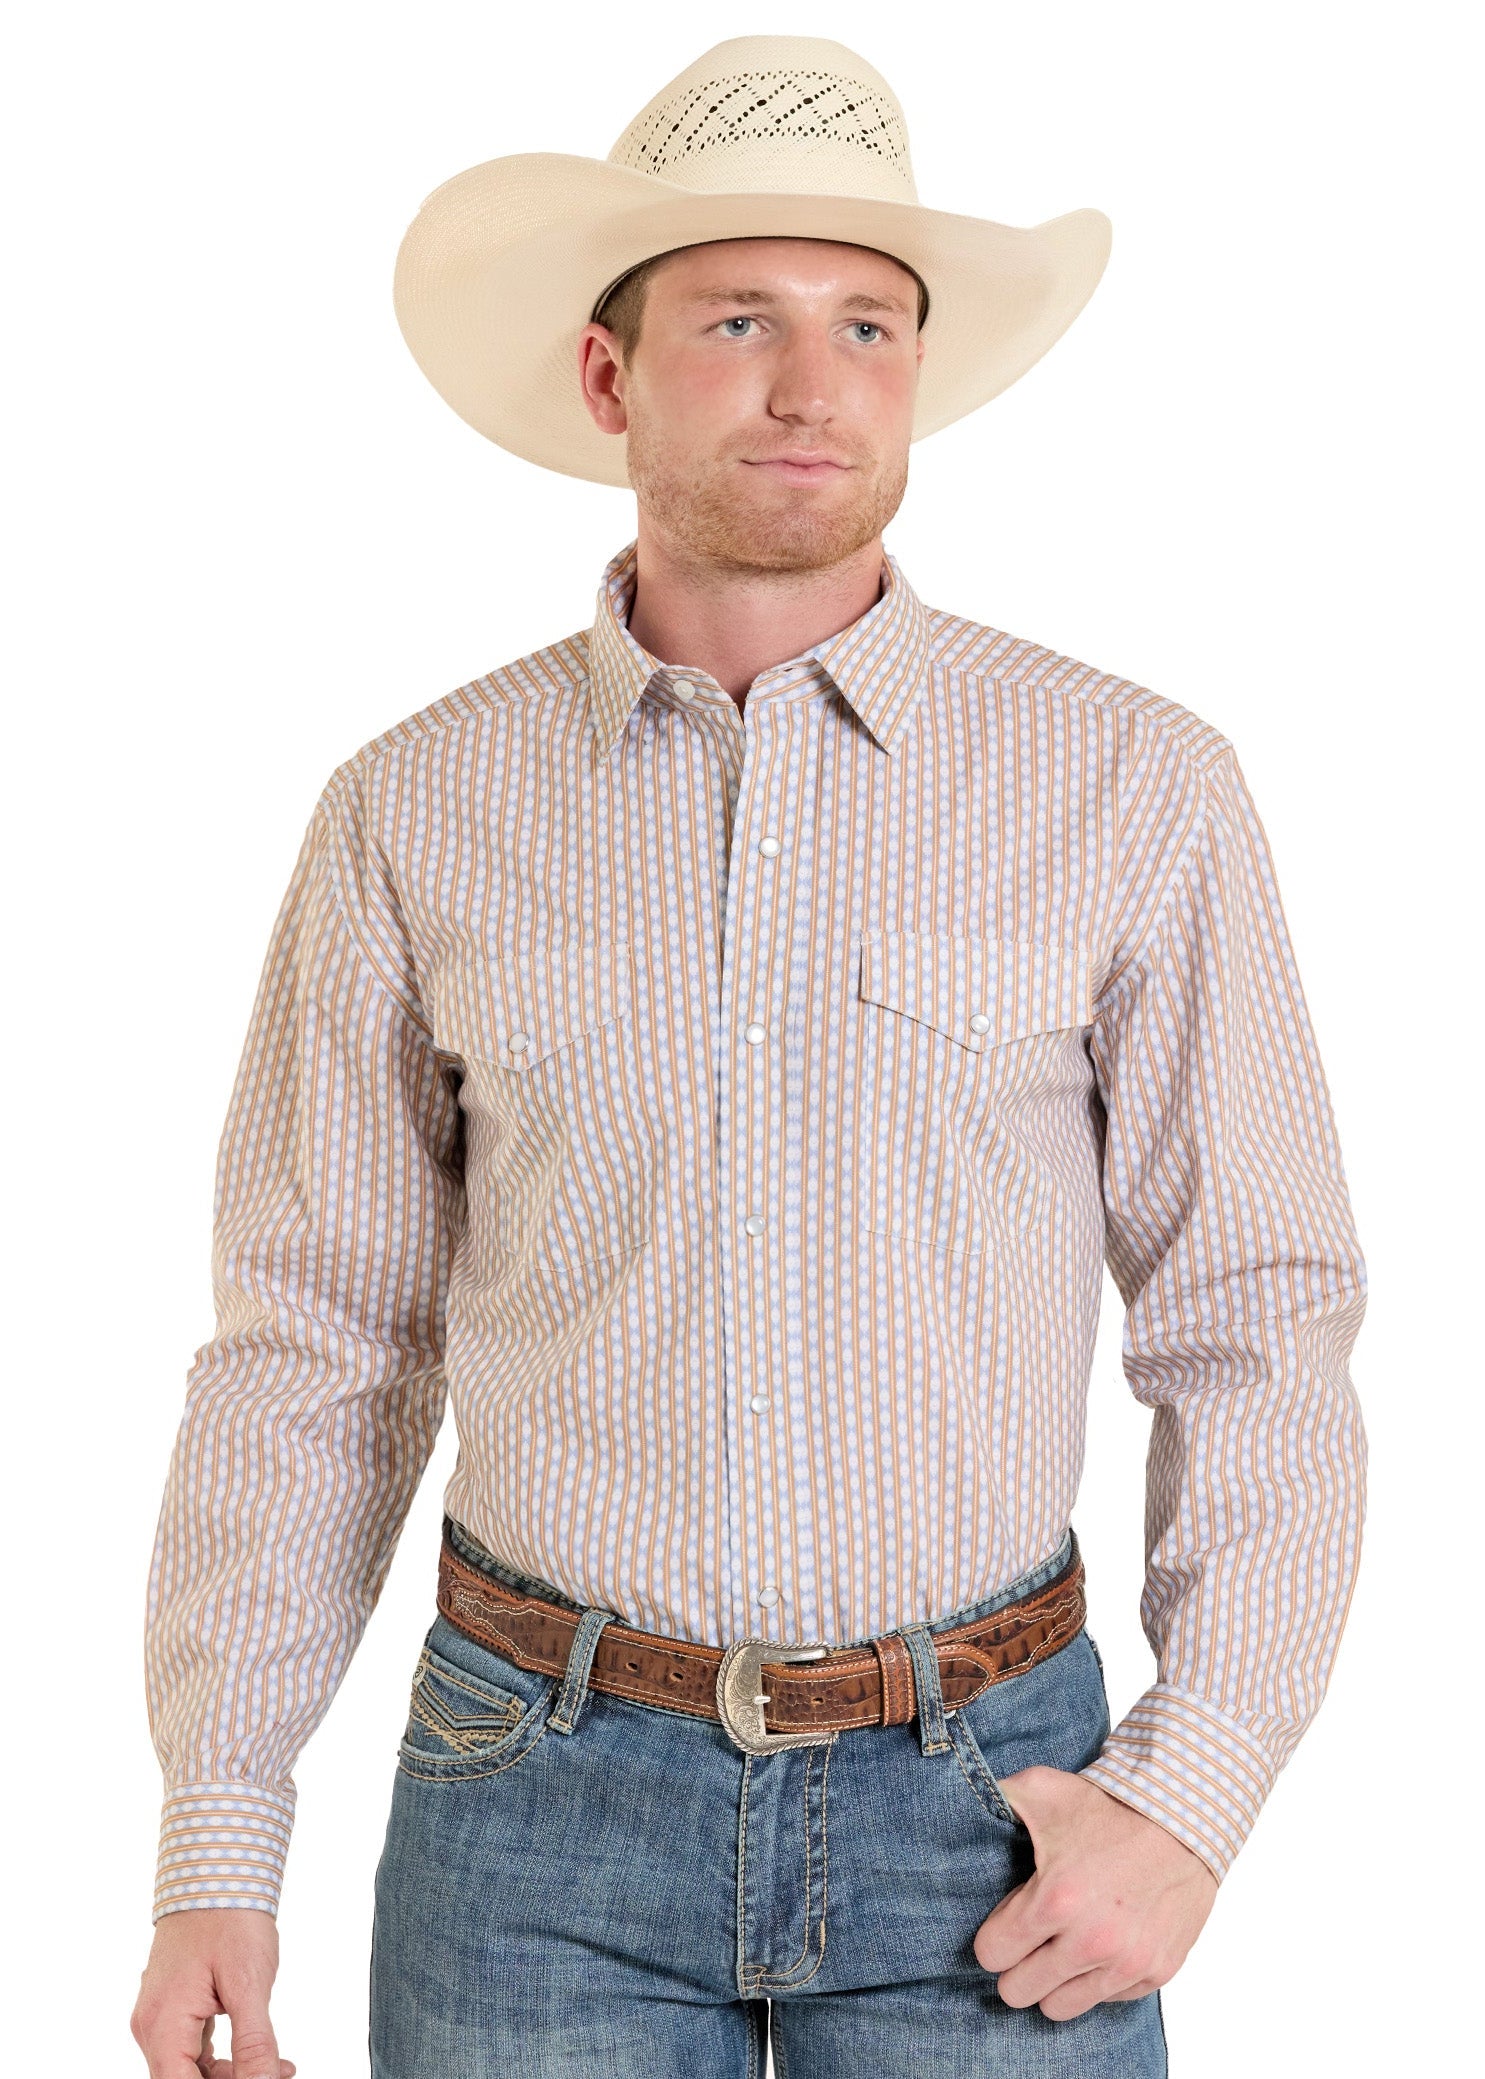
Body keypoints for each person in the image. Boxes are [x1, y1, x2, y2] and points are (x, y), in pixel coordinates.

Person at [130, 34, 1368, 2079]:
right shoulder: (413, 808)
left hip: (995, 1811)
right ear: (608, 376)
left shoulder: (1129, 784)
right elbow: (313, 1349)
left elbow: (1255, 1317)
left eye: (866, 324)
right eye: (737, 321)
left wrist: (1195, 1786)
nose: (813, 386)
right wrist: (218, 1834)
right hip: (530, 1807)